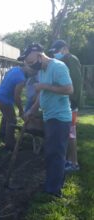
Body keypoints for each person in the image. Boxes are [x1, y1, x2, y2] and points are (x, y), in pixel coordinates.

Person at [22, 43, 73, 197]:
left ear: (39, 54)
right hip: (49, 116)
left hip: (60, 117)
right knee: (51, 152)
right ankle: (52, 183)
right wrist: (32, 109)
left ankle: (53, 190)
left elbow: (69, 89)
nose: (31, 66)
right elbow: (42, 94)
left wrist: (44, 85)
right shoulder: (42, 70)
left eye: (30, 62)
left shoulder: (58, 67)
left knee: (56, 153)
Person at [49, 40, 83, 172]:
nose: (55, 54)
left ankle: (73, 163)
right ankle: (68, 160)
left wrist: (72, 101)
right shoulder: (64, 60)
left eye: (57, 51)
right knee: (68, 133)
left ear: (64, 48)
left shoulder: (71, 59)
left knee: (71, 133)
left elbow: (76, 82)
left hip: (71, 103)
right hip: (66, 102)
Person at [0, 65, 36, 151]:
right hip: (4, 99)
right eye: (33, 72)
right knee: (12, 120)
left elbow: (6, 77)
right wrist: (21, 110)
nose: (33, 74)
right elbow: (17, 97)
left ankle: (2, 134)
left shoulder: (15, 69)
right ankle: (10, 144)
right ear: (28, 67)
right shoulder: (21, 79)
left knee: (6, 115)